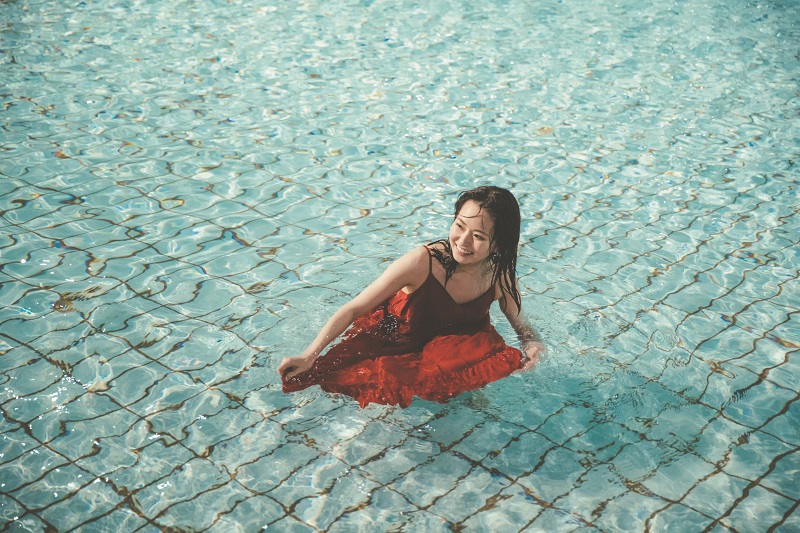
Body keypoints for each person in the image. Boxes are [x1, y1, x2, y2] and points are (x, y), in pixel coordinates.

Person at [278, 185, 545, 408]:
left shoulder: (500, 276)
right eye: (459, 226)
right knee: (332, 377)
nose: (462, 241)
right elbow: (354, 308)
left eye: (478, 236)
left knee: (488, 357)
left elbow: (523, 328)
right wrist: (309, 354)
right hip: (396, 338)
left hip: (452, 350)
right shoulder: (421, 263)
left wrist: (533, 346)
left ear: (498, 244)